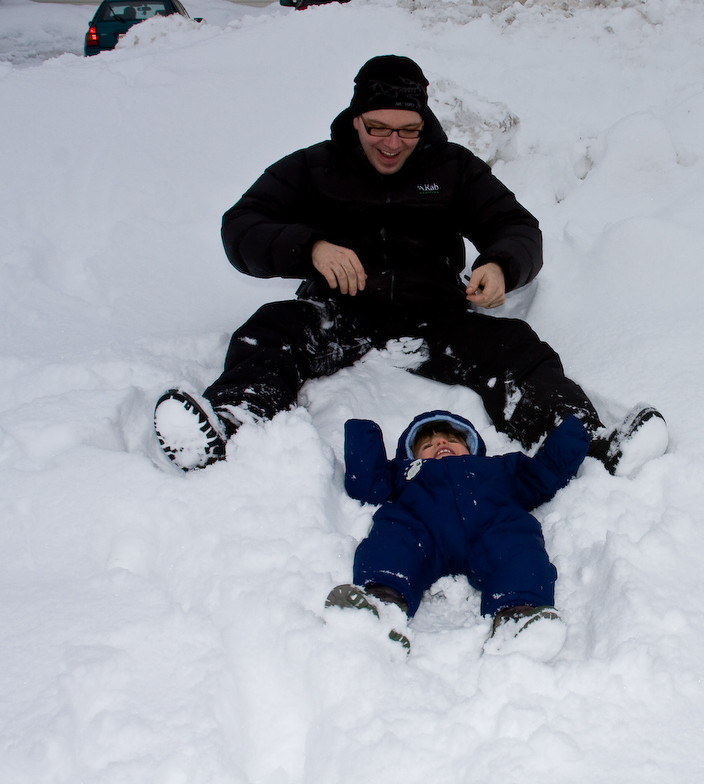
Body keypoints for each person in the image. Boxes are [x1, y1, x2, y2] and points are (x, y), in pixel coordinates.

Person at [153, 54, 668, 473]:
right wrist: (309, 247)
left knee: (516, 348)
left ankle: (586, 442)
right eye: (377, 128)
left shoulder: (452, 167)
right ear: (355, 119)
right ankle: (231, 423)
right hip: (340, 313)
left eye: (407, 130)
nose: (392, 143)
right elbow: (241, 226)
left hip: (435, 317)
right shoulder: (314, 167)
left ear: (425, 123)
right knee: (269, 331)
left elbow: (516, 227)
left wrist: (500, 265)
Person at [325, 409, 589, 654]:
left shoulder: (499, 467)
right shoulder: (404, 473)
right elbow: (368, 487)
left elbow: (540, 476)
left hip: (494, 527)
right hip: (424, 528)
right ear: (412, 457)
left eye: (451, 439)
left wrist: (571, 438)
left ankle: (518, 615)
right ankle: (381, 604)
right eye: (427, 445)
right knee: (395, 540)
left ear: (472, 447)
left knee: (519, 550)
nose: (440, 445)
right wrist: (362, 435)